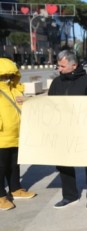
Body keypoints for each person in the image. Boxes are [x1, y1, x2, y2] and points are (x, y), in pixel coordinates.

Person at [48, 50, 87, 209]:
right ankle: (69, 196)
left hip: (83, 130)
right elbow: (49, 104)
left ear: (74, 65)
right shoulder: (56, 82)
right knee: (64, 163)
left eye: (62, 66)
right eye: (58, 66)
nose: (59, 69)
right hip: (63, 130)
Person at [0, 58, 36, 210]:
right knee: (1, 167)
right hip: (2, 136)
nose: (7, 78)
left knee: (15, 164)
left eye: (10, 75)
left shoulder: (16, 89)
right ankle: (1, 196)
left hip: (17, 134)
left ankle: (15, 189)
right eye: (3, 75)